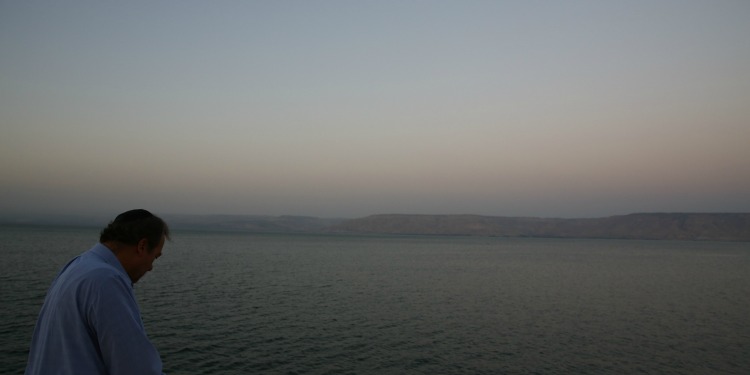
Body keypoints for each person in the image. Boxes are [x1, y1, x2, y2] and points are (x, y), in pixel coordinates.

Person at [25, 209, 171, 375]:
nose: (151, 267)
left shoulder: (76, 266)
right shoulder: (106, 280)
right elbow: (136, 368)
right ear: (142, 246)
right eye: (155, 257)